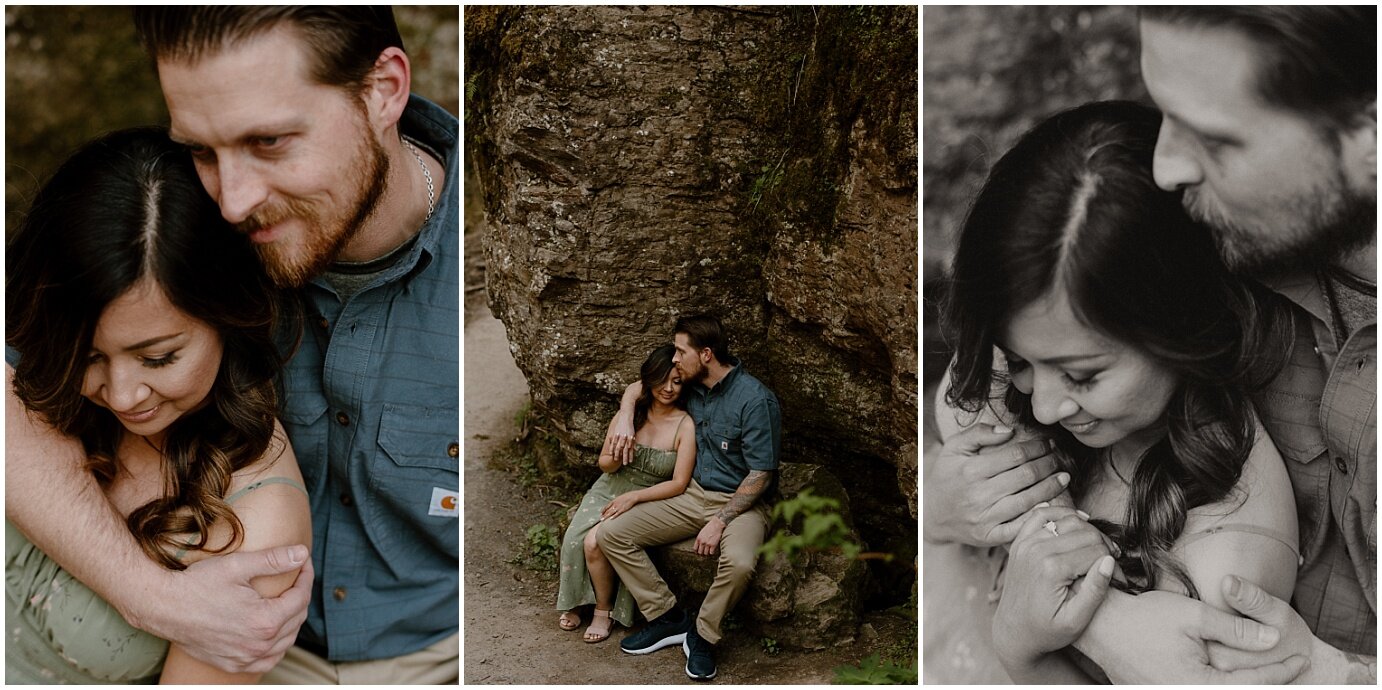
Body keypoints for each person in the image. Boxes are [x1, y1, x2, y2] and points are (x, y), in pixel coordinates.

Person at [5, 6, 460, 684]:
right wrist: (149, 594)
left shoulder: (487, 274)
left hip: (435, 653)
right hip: (215, 633)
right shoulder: (188, 234)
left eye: (269, 141)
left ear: (384, 90)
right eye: (200, 149)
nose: (235, 199)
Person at [927, 6, 1376, 684]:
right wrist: (948, 500)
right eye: (1161, 111)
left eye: (1215, 139)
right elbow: (983, 372)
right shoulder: (1213, 237)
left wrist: (1329, 673)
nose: (1166, 168)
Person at [5, 127, 312, 684]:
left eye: (158, 357)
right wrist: (152, 597)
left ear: (229, 315)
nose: (121, 395)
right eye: (90, 355)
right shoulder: (34, 365)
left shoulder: (259, 521)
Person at [599, 314, 780, 681]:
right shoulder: (693, 386)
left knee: (741, 562)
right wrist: (623, 411)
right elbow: (642, 384)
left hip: (742, 505)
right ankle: (668, 618)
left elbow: (761, 474)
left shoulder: (755, 400)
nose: (675, 360)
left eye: (681, 351)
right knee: (611, 534)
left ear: (707, 354)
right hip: (692, 495)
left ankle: (702, 634)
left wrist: (720, 521)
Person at [556, 345, 696, 643]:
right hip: (611, 486)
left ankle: (603, 611)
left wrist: (635, 498)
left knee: (595, 542)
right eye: (662, 380)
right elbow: (604, 464)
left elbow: (679, 483)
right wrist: (621, 452)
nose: (668, 389)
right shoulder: (631, 416)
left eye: (677, 381)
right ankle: (577, 602)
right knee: (574, 538)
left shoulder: (685, 425)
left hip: (649, 495)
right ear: (649, 379)